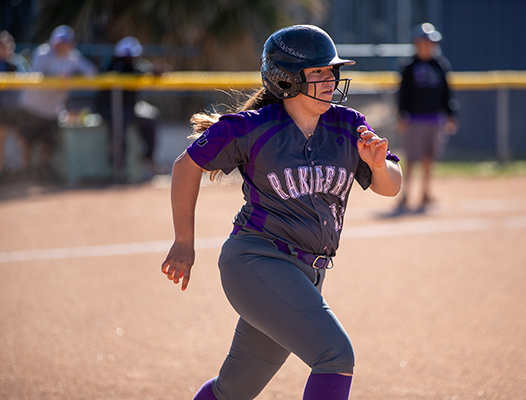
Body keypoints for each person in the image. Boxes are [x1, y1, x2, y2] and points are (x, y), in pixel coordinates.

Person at [161, 25, 402, 400]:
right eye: (318, 72)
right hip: (256, 261)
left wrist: (379, 165)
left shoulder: (348, 124)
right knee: (335, 354)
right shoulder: (252, 127)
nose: (330, 80)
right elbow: (185, 166)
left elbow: (392, 186)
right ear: (286, 80)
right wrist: (183, 242)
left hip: (307, 272)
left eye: (331, 71)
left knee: (233, 392)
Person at [17, 25, 97, 183]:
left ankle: (41, 172)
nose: (64, 45)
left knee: (48, 142)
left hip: (53, 109)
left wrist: (72, 76)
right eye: (61, 42)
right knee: (28, 141)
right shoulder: (43, 53)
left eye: (67, 42)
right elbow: (37, 76)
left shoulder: (73, 56)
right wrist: (57, 77)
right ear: (54, 42)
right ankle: (26, 172)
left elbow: (92, 72)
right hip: (32, 106)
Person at [397, 22, 458, 209]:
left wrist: (451, 114)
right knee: (411, 159)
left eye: (432, 43)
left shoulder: (440, 65)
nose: (430, 46)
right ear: (417, 43)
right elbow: (403, 93)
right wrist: (402, 115)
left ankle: (425, 192)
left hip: (435, 118)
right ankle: (405, 194)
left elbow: (447, 92)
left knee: (429, 159)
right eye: (426, 42)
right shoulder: (409, 67)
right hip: (415, 119)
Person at [96, 36, 159, 182]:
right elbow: (129, 72)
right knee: (120, 129)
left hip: (131, 108)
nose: (132, 59)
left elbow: (144, 69)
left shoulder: (137, 66)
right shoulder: (112, 66)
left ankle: (148, 160)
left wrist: (155, 70)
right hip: (110, 109)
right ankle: (119, 170)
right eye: (129, 56)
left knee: (150, 118)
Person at [0, 30, 30, 179]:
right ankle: (1, 171)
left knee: (22, 139)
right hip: (2, 109)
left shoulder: (17, 62)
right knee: (1, 140)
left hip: (17, 108)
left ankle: (26, 171)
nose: (4, 49)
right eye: (1, 46)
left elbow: (28, 79)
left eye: (6, 46)